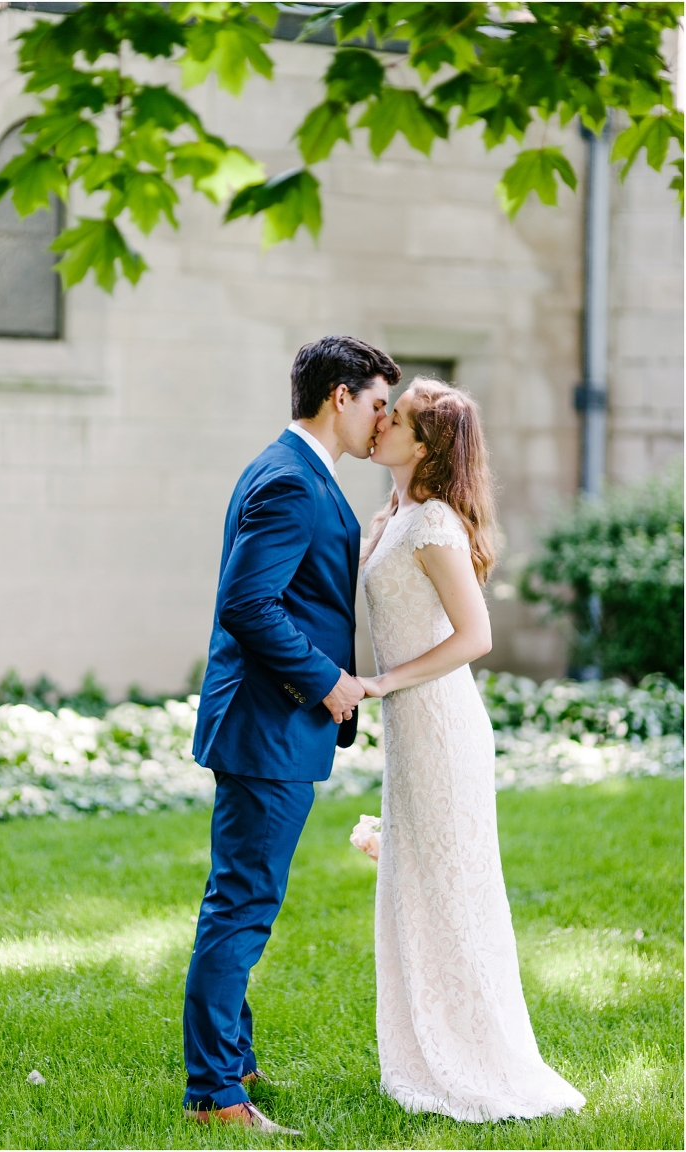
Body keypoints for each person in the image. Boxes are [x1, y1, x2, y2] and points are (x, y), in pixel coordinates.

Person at [183, 335, 401, 1133]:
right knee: (241, 906)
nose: (384, 422)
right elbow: (249, 605)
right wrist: (329, 680)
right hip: (268, 724)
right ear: (339, 396)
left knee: (243, 899)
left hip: (267, 724)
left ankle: (232, 1063)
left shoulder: (294, 469)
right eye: (378, 404)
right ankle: (213, 1094)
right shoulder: (291, 482)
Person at [357, 378, 586, 1122]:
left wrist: (384, 681)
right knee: (417, 888)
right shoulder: (392, 516)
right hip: (410, 727)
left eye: (399, 419)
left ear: (425, 448)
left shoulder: (432, 526)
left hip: (442, 724)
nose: (381, 421)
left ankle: (480, 1057)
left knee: (452, 891)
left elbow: (475, 637)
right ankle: (424, 1048)